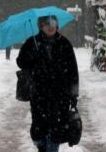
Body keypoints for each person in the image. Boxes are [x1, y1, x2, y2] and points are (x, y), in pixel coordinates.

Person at [17, 15, 79, 152]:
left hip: (60, 95)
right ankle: (41, 145)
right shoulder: (31, 42)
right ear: (41, 26)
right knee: (38, 129)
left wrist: (73, 94)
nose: (51, 27)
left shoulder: (64, 43)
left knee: (56, 129)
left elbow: (73, 71)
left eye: (53, 23)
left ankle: (51, 148)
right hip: (39, 94)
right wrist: (31, 56)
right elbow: (20, 62)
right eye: (47, 24)